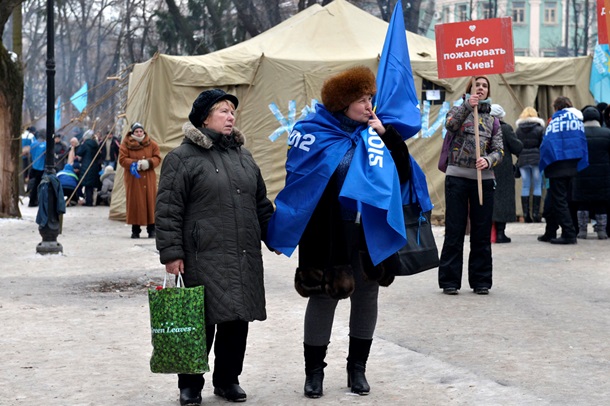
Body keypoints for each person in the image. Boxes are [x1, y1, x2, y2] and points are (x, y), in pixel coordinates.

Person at [265, 66, 413, 399]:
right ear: (343, 104)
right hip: (326, 232)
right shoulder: (312, 132)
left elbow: (402, 175)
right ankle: (314, 373)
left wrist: (387, 135)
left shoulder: (375, 134)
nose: (368, 105)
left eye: (370, 98)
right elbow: (301, 183)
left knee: (366, 298)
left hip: (366, 232)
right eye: (361, 99)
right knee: (322, 299)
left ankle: (357, 369)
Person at [155, 89, 274, 405]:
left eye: (232, 111)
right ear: (204, 118)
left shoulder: (244, 157)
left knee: (237, 320)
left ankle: (227, 379)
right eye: (223, 111)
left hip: (242, 253)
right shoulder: (181, 158)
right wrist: (171, 253)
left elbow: (260, 203)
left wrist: (277, 235)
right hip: (201, 255)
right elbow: (168, 209)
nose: (230, 116)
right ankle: (190, 385)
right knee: (199, 320)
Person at [438, 76, 503, 295]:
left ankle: (481, 281)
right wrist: (467, 105)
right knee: (454, 230)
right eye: (478, 85)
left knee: (481, 232)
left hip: (482, 180)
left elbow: (499, 149)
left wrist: (489, 160)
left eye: (485, 86)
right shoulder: (456, 110)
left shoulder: (493, 120)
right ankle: (449, 281)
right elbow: (450, 125)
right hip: (456, 177)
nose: (481, 88)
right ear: (470, 89)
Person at [537, 96, 588, 244]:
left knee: (559, 201)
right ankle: (550, 231)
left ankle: (569, 233)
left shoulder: (555, 120)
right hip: (572, 165)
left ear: (556, 108)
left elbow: (547, 143)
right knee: (554, 200)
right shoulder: (576, 121)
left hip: (557, 166)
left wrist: (544, 161)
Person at [572, 106, 610, 239]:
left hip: (581, 174)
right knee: (601, 203)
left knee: (582, 204)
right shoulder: (607, 133)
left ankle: (582, 231)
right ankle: (601, 231)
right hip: (603, 175)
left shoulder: (577, 133)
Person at [118, 122, 161, 238]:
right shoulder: (125, 144)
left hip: (148, 178)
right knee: (135, 203)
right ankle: (135, 230)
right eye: (136, 131)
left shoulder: (152, 144)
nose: (139, 133)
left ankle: (151, 229)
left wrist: (148, 163)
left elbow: (157, 157)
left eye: (140, 131)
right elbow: (122, 159)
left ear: (143, 132)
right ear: (132, 132)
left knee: (150, 202)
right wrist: (135, 164)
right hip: (134, 179)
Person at [490, 104, 523, 243]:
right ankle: (500, 233)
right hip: (503, 170)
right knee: (503, 200)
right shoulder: (505, 128)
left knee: (490, 200)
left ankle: (490, 233)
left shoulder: (483, 128)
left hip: (487, 168)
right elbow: (517, 147)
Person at [515, 106, 546, 223]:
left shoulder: (518, 130)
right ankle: (536, 214)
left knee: (525, 185)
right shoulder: (539, 129)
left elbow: (517, 146)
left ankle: (526, 215)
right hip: (536, 159)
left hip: (523, 160)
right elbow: (543, 145)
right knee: (537, 185)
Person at [76, 130, 102, 206]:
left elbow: (79, 152)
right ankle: (89, 201)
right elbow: (99, 156)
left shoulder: (85, 144)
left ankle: (86, 200)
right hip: (94, 166)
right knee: (90, 186)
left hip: (86, 166)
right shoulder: (96, 145)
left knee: (84, 184)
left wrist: (80, 145)